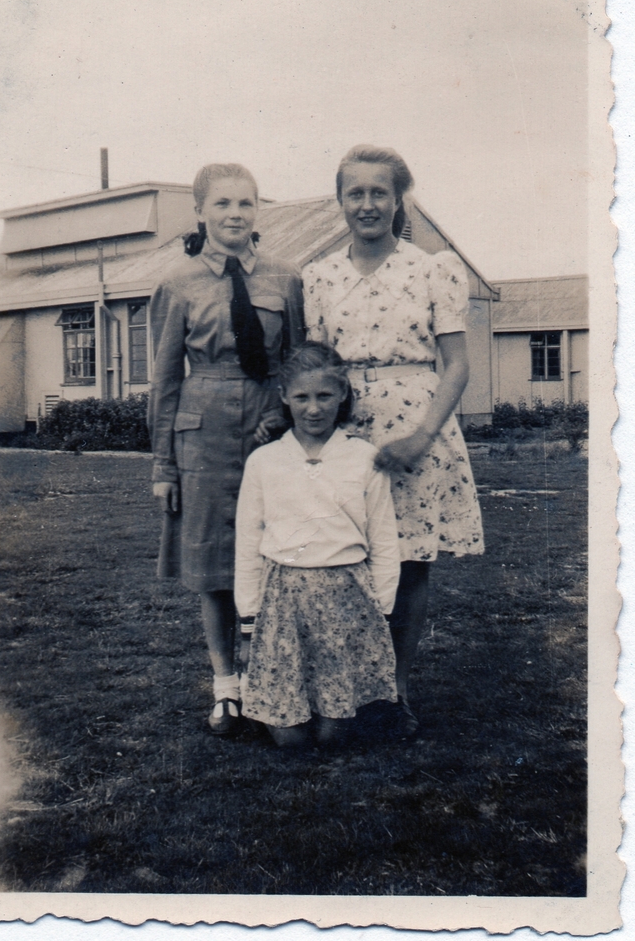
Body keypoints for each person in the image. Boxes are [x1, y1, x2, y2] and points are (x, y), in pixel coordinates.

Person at [302, 144, 484, 736]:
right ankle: (343, 685)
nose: (367, 204)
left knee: (407, 563)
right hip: (345, 430)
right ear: (340, 201)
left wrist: (422, 436)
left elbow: (456, 365)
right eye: (355, 193)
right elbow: (316, 364)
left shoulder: (433, 268)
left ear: (399, 199)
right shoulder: (319, 276)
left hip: (416, 429)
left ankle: (395, 691)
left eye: (379, 192)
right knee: (342, 558)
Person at [148, 162, 305, 736]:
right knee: (213, 563)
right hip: (202, 431)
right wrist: (164, 465)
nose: (235, 214)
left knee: (276, 554)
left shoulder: (286, 278)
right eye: (222, 204)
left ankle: (270, 679)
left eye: (246, 203)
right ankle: (226, 690)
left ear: (258, 211)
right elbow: (164, 381)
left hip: (268, 426)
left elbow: (296, 361)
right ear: (200, 213)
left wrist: (281, 415)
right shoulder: (177, 283)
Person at [235, 341, 400, 749]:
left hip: (347, 599)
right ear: (284, 397)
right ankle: (275, 706)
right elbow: (248, 543)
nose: (313, 409)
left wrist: (382, 609)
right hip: (283, 600)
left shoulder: (363, 457)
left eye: (325, 396)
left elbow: (383, 539)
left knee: (331, 736)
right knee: (290, 741)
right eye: (302, 397)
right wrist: (248, 618)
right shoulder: (264, 461)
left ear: (342, 394)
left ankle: (331, 711)